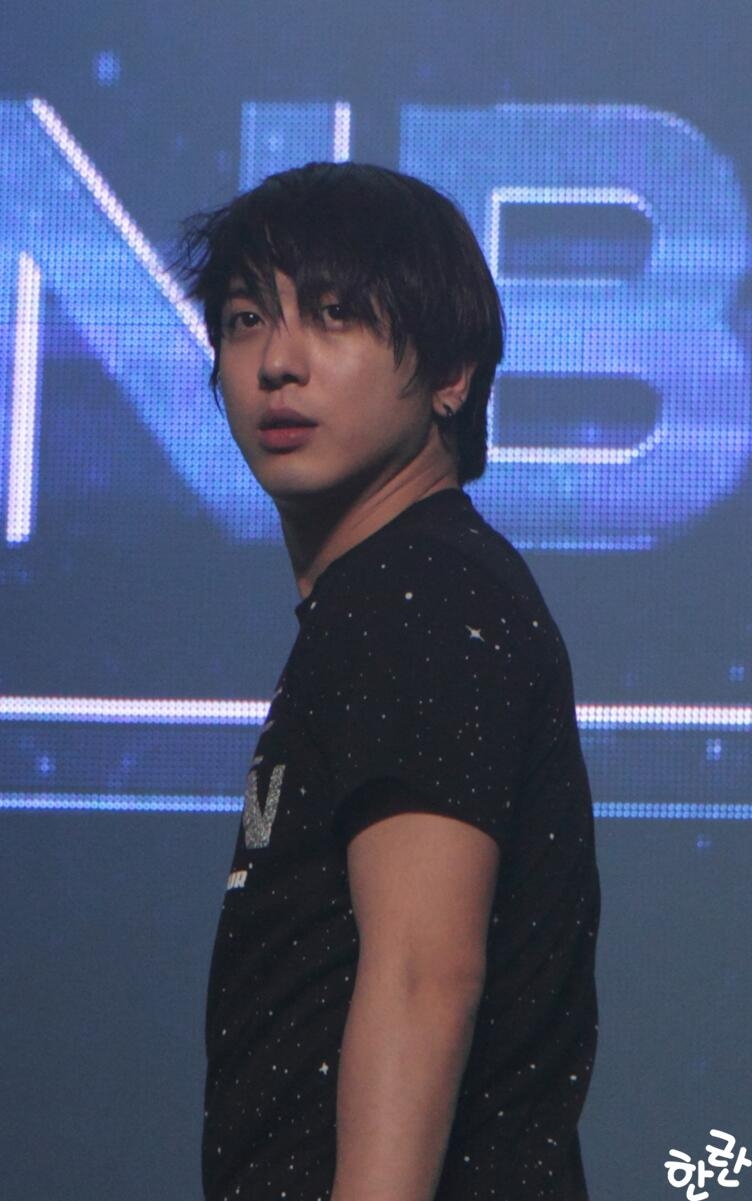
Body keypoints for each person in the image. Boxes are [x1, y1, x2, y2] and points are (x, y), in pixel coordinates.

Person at [179, 161, 600, 1201]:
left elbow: (423, 974)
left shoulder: (417, 594)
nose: (277, 363)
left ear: (451, 372)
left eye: (334, 316)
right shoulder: (389, 594)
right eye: (245, 320)